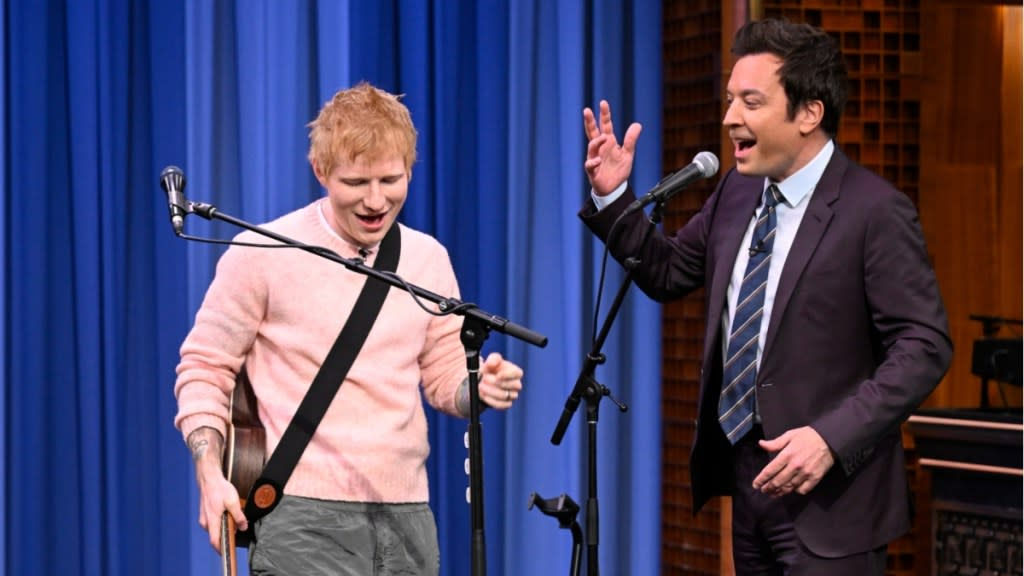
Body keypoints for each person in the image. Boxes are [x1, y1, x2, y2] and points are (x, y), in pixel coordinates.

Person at [579, 19, 951, 575]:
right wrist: (613, 198)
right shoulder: (737, 191)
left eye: (751, 102)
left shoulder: (874, 211)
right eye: (730, 100)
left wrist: (830, 438)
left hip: (832, 501)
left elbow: (924, 346)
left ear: (809, 113)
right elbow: (669, 272)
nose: (730, 117)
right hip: (748, 484)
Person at [174, 82, 524, 575]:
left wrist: (478, 387)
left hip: (408, 519)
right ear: (321, 171)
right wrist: (210, 476)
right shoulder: (263, 252)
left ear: (410, 170)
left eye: (391, 180)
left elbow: (444, 378)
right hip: (303, 519)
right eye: (357, 182)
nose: (376, 200)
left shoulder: (428, 258)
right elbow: (204, 369)